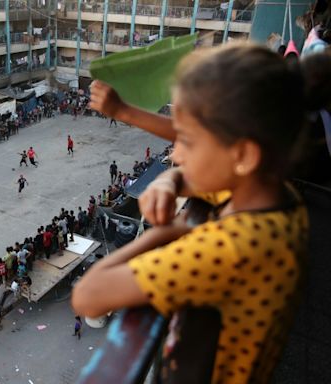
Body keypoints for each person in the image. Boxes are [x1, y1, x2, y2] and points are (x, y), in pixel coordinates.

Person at [73, 43, 320, 383]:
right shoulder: (273, 194)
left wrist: (161, 234)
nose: (176, 153)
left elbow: (88, 297)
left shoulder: (228, 249)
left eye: (187, 140)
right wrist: (168, 181)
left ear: (244, 155)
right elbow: (200, 174)